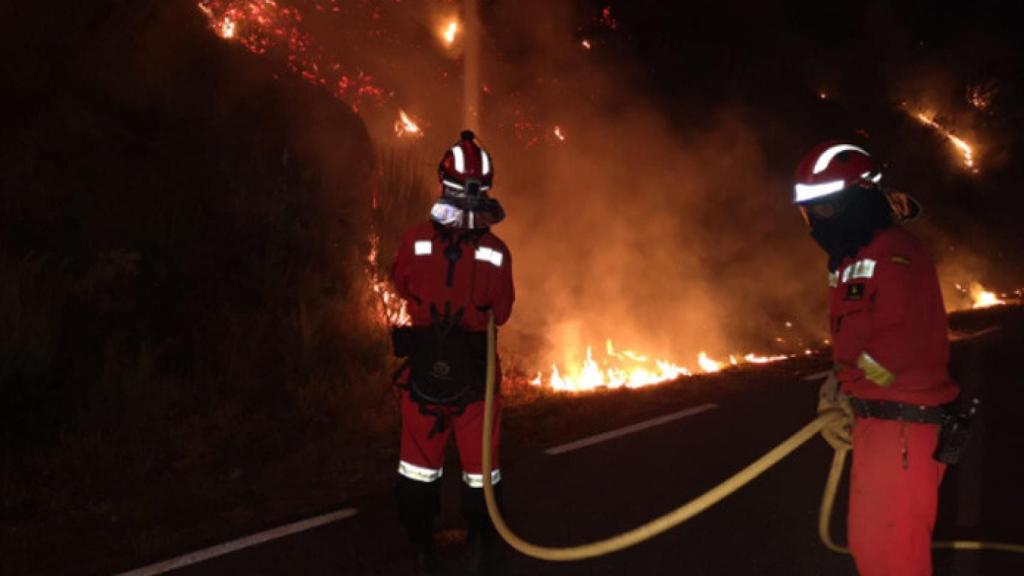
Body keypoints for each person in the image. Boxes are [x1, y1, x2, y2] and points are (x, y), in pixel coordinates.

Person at [794, 140, 960, 576]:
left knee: (895, 557)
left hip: (903, 425)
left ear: (858, 199)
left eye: (824, 211)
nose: (815, 225)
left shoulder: (895, 254)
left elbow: (896, 354)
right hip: (878, 424)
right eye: (809, 214)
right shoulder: (851, 261)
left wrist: (850, 380)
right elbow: (858, 340)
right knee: (870, 548)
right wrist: (842, 382)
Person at [390, 130, 514, 573]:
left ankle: (422, 546)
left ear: (444, 183)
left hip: (423, 374)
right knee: (482, 468)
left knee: (418, 465)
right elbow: (503, 312)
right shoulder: (497, 253)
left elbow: (402, 282)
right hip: (477, 380)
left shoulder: (414, 240)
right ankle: (481, 542)